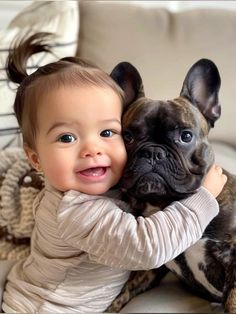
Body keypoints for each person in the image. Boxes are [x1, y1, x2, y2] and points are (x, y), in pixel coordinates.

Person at [2, 33, 227, 313]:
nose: (92, 149)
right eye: (67, 138)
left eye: (107, 133)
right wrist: (203, 199)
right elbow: (147, 247)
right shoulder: (76, 211)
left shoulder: (99, 185)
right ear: (35, 158)